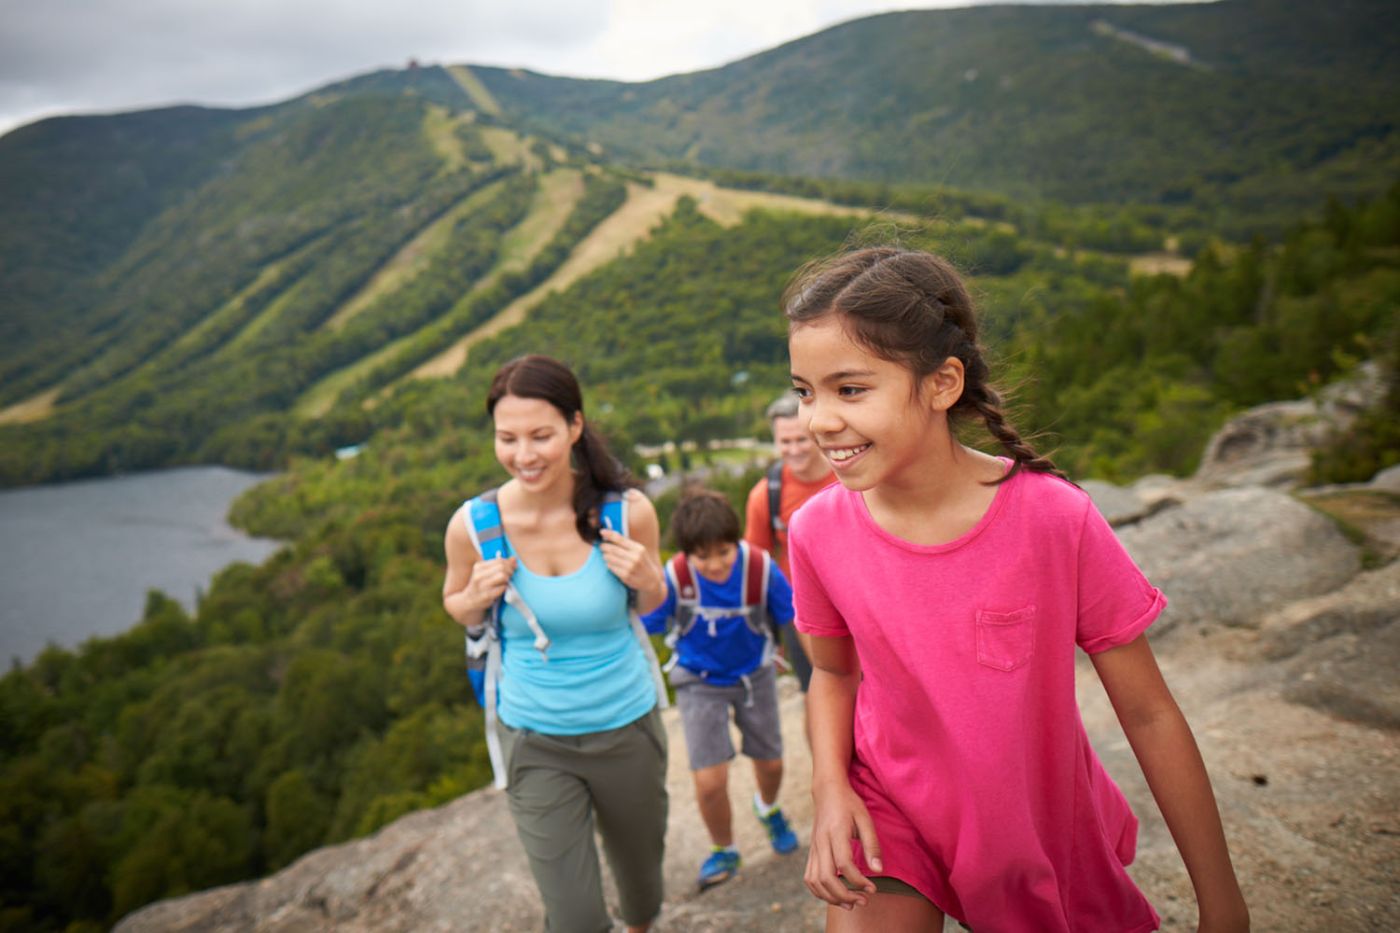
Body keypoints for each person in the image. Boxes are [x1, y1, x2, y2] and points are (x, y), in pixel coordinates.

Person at [783, 247, 1250, 932]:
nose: (817, 419)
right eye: (804, 390)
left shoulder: (1055, 519)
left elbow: (1149, 714)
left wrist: (1223, 903)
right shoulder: (816, 530)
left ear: (942, 383)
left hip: (1033, 824)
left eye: (850, 390)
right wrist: (831, 790)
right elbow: (830, 671)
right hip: (892, 812)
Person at [441, 354, 671, 933]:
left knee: (642, 888)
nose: (524, 455)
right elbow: (456, 605)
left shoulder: (628, 513)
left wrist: (649, 581)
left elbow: (655, 608)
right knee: (574, 918)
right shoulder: (473, 525)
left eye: (541, 435)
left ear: (574, 426)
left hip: (627, 727)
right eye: (507, 438)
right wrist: (473, 596)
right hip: (534, 737)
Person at [641, 489, 800, 892]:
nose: (714, 564)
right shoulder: (675, 577)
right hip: (699, 682)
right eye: (702, 556)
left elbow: (795, 619)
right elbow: (645, 624)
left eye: (723, 552)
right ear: (687, 553)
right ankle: (725, 848)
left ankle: (768, 808)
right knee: (710, 780)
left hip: (755, 676)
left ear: (737, 541)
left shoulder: (759, 570)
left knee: (771, 763)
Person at [743, 394, 835, 696]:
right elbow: (756, 565)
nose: (793, 450)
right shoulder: (766, 495)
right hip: (802, 614)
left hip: (859, 603)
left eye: (801, 440)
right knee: (820, 695)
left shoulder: (849, 476)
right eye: (785, 442)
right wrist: (767, 631)